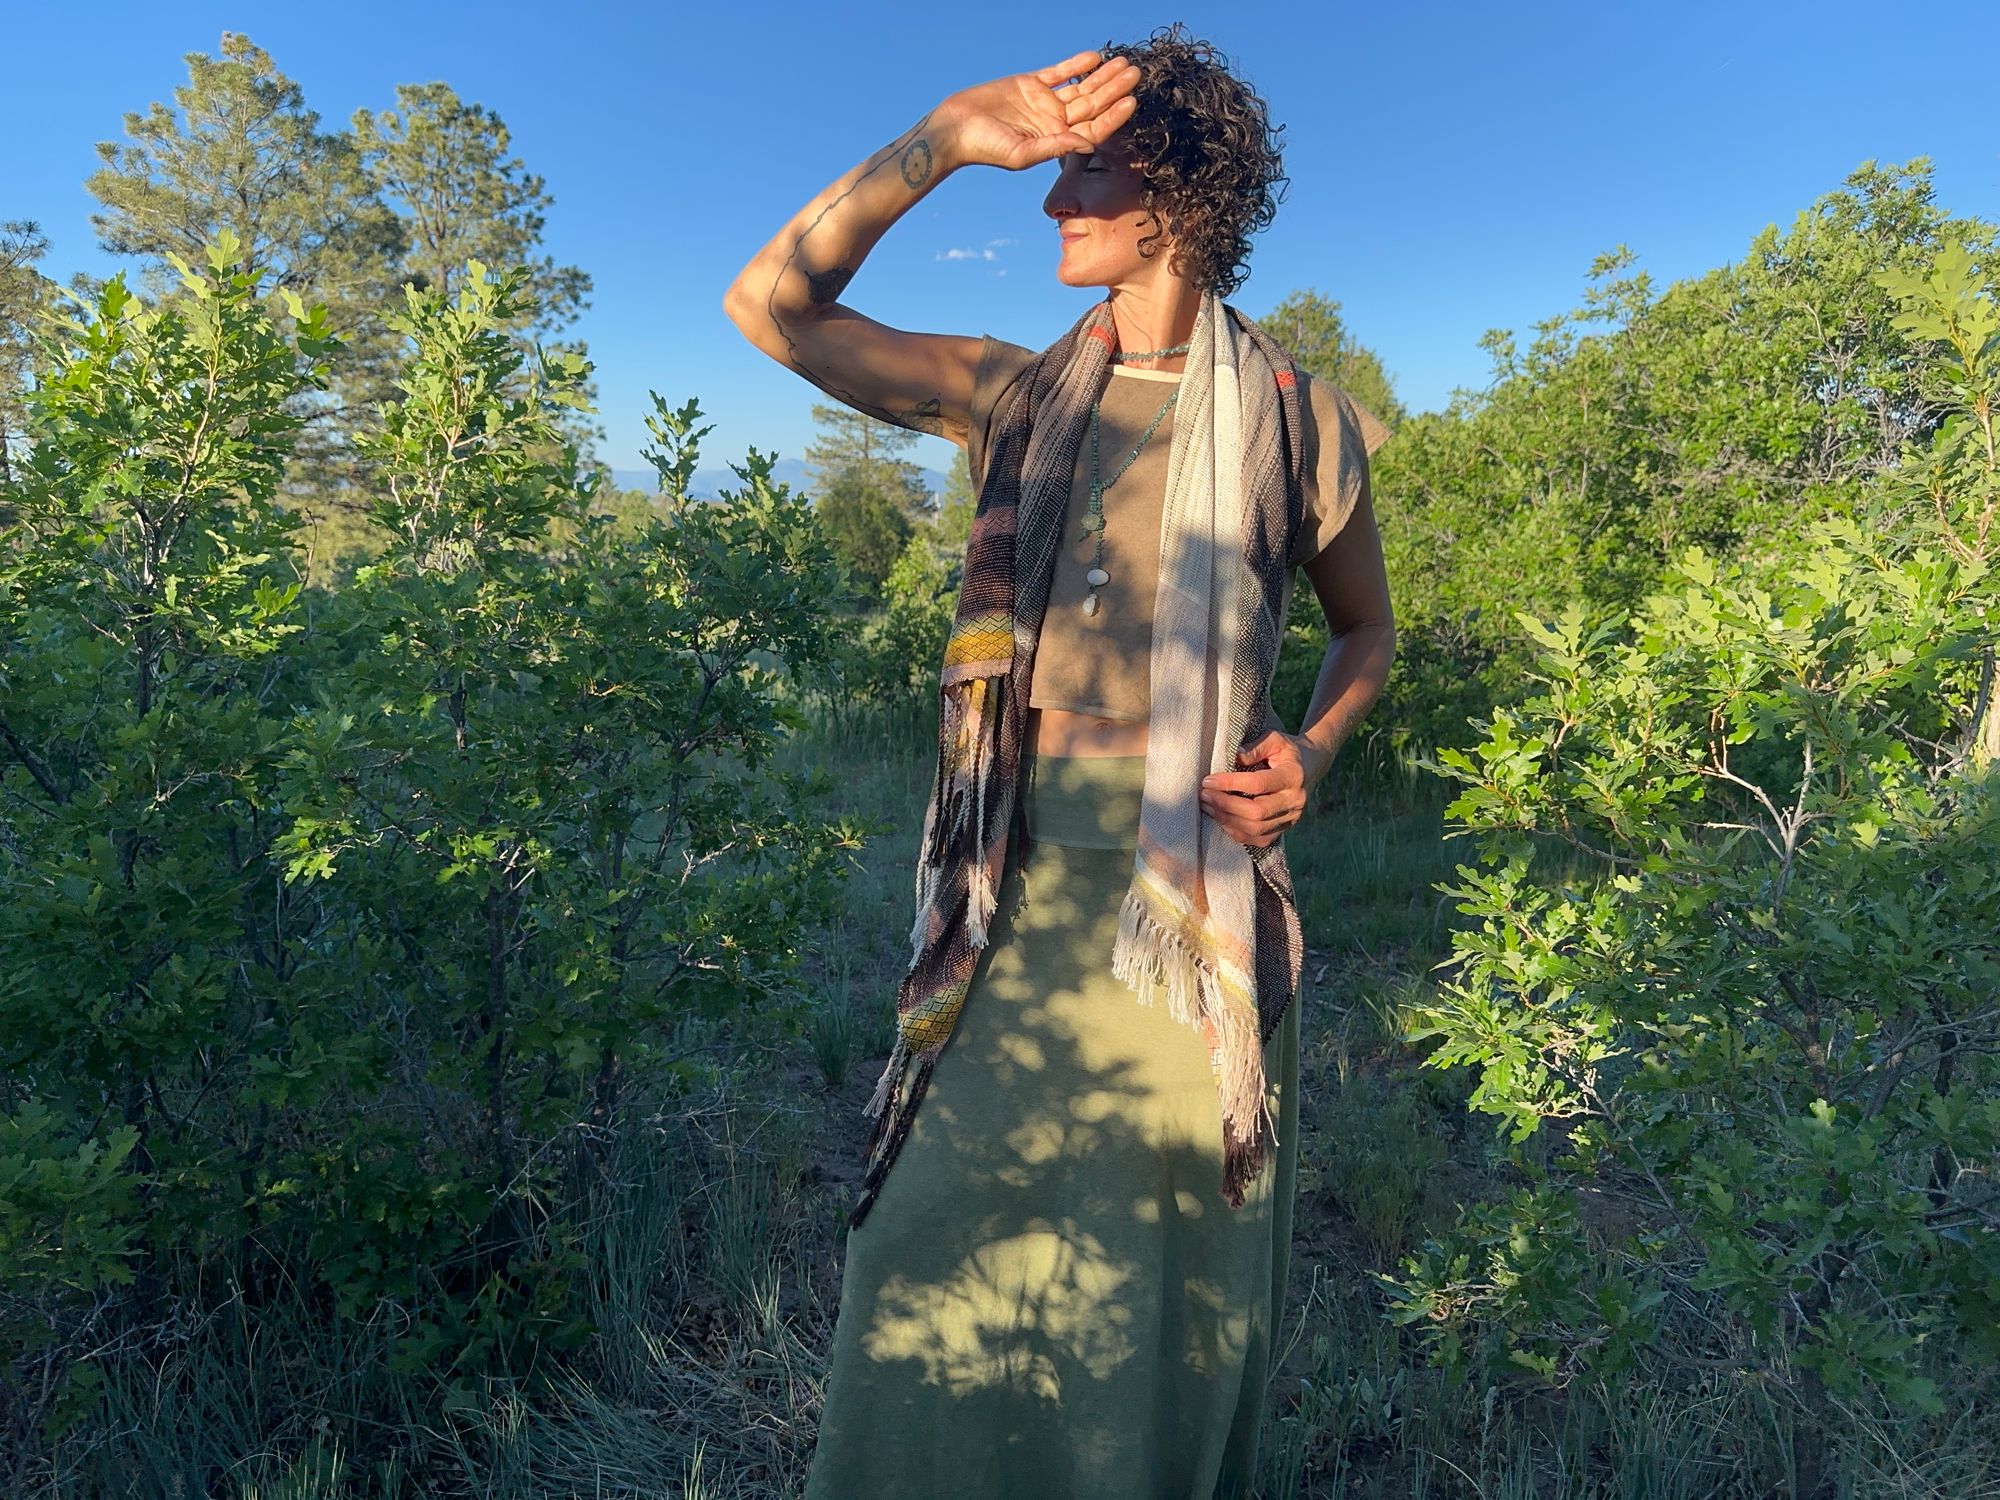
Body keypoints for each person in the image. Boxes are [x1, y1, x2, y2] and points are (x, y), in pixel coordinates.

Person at [724, 25, 1393, 1498]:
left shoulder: (1302, 422)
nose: (1046, 201)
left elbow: (1365, 638)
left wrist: (1316, 752)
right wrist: (949, 134)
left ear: (1179, 192)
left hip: (1189, 912)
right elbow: (769, 304)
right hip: (1009, 889)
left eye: (1083, 169)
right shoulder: (1004, 392)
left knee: (1161, 1300)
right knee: (926, 1255)